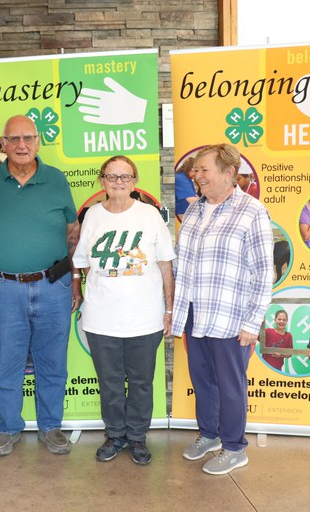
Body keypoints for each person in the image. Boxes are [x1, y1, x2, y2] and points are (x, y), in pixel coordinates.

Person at [0, 114, 81, 457]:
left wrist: (73, 279)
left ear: (37, 142)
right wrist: (2, 245)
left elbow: (73, 233)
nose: (21, 145)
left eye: (28, 138)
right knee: (7, 360)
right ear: (2, 144)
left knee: (53, 361)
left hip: (54, 285)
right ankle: (7, 426)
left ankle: (51, 425)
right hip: (5, 288)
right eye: (14, 139)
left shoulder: (57, 180)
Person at [171, 143, 273, 476]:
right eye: (195, 170)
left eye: (203, 170)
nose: (196, 176)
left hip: (231, 316)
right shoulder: (197, 209)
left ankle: (234, 447)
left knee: (230, 384)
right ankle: (210, 435)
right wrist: (175, 310)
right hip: (195, 312)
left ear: (229, 173)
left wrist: (252, 322)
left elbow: (263, 271)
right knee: (203, 381)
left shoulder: (251, 211)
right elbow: (184, 263)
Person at [72, 155, 175, 465]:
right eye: (112, 176)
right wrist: (77, 286)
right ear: (102, 181)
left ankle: (138, 438)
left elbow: (165, 264)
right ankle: (115, 435)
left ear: (135, 182)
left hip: (144, 318)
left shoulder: (150, 216)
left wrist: (170, 309)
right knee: (110, 382)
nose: (118, 182)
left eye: (125, 177)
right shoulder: (92, 216)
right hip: (101, 319)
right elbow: (79, 260)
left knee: (142, 381)